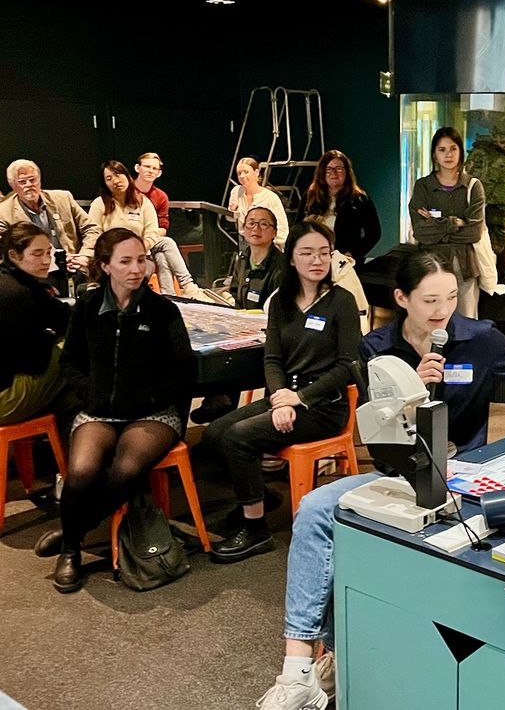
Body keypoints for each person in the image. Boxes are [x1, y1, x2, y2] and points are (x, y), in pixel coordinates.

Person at [253, 251, 505, 709]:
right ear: (401, 298)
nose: (442, 309)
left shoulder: (479, 338)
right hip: (398, 478)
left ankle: (345, 653)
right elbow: (377, 430)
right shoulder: (377, 347)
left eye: (449, 297)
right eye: (429, 300)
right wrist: (413, 391)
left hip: (465, 476)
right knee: (315, 510)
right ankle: (301, 669)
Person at [199, 221, 361, 564]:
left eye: (324, 253)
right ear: (292, 259)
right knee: (214, 434)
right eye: (307, 253)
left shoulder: (341, 302)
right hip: (286, 397)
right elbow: (272, 360)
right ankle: (258, 496)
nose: (317, 260)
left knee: (239, 437)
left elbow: (348, 366)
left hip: (323, 406)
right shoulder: (282, 302)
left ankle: (255, 529)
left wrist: (299, 399)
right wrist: (280, 397)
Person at [50, 228, 195, 593]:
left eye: (141, 259)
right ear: (105, 265)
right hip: (99, 410)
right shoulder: (87, 305)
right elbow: (70, 362)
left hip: (153, 413)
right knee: (80, 470)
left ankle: (73, 534)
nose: (137, 268)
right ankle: (71, 550)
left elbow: (184, 368)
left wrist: (148, 398)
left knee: (126, 469)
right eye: (126, 261)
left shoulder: (163, 309)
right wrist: (89, 393)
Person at [190, 206, 287, 425]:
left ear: (274, 232)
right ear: (243, 229)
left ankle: (222, 401)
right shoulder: (242, 257)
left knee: (231, 356)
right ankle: (219, 401)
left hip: (267, 334)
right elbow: (236, 294)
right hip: (242, 327)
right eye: (251, 223)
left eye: (264, 224)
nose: (256, 228)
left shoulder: (281, 266)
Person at [88, 160, 209, 300]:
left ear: (127, 176)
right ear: (104, 184)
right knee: (161, 255)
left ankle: (185, 288)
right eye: (109, 178)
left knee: (166, 244)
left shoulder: (142, 202)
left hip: (141, 255)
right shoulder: (99, 204)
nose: (115, 180)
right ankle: (170, 296)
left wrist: (139, 249)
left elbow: (152, 232)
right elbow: (93, 234)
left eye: (118, 175)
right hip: (112, 258)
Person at [0, 222, 78, 434]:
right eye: (37, 254)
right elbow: (32, 361)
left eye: (49, 252)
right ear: (14, 256)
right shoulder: (19, 293)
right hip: (5, 399)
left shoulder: (16, 282)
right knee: (73, 353)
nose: (46, 261)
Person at [408, 127, 485, 318]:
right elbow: (421, 232)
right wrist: (454, 222)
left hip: (465, 268)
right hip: (429, 268)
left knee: (466, 326)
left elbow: (474, 232)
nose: (448, 154)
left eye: (453, 149)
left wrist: (436, 223)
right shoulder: (423, 186)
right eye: (442, 150)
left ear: (460, 152)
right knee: (431, 323)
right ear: (434, 154)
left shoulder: (473, 186)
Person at [0, 159, 99, 297]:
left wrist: (84, 255)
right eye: (22, 182)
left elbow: (92, 228)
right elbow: (8, 252)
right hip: (35, 275)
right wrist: (52, 260)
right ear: (13, 185)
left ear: (39, 181)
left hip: (75, 267)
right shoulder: (3, 212)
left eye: (32, 179)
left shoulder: (63, 198)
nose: (29, 185)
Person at [302, 149, 381, 271]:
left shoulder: (360, 199)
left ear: (347, 172)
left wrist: (353, 253)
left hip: (345, 262)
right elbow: (298, 227)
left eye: (339, 168)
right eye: (329, 169)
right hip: (314, 259)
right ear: (322, 172)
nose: (334, 173)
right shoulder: (310, 196)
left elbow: (374, 233)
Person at [228, 157, 289, 251]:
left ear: (256, 172)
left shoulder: (270, 197)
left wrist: (274, 247)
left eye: (246, 172)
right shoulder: (236, 192)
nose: (242, 176)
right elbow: (230, 218)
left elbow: (282, 228)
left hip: (265, 243)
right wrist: (232, 211)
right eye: (239, 173)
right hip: (244, 243)